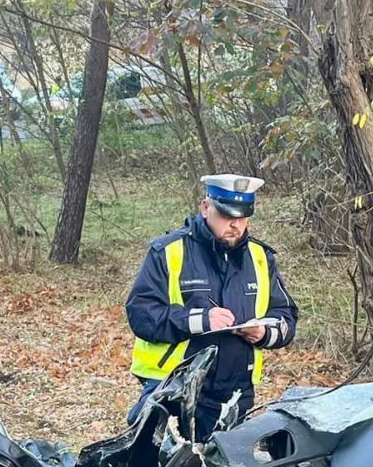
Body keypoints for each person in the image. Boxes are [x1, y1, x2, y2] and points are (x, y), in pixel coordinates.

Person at [126, 173, 298, 434]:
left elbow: (286, 317)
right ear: (205, 207)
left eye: (242, 216)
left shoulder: (261, 257)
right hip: (174, 384)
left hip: (236, 388)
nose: (236, 224)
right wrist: (199, 321)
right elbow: (141, 314)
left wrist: (264, 333)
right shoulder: (168, 251)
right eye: (228, 215)